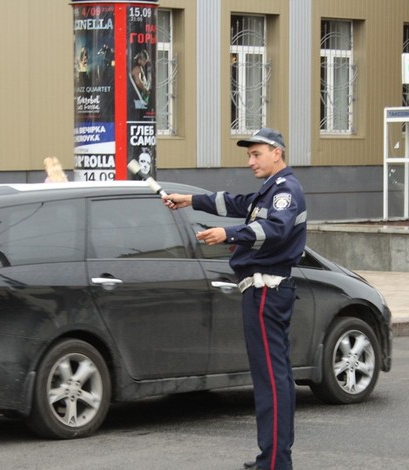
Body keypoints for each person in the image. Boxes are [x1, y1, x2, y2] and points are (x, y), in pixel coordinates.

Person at [162, 127, 306, 470]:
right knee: (275, 377)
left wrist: (227, 233)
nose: (250, 161)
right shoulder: (272, 190)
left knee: (270, 380)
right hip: (265, 291)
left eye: (256, 154)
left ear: (277, 153)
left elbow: (274, 229)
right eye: (249, 154)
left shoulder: (286, 191)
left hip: (265, 291)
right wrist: (191, 200)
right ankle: (272, 458)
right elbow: (237, 203)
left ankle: (274, 464)